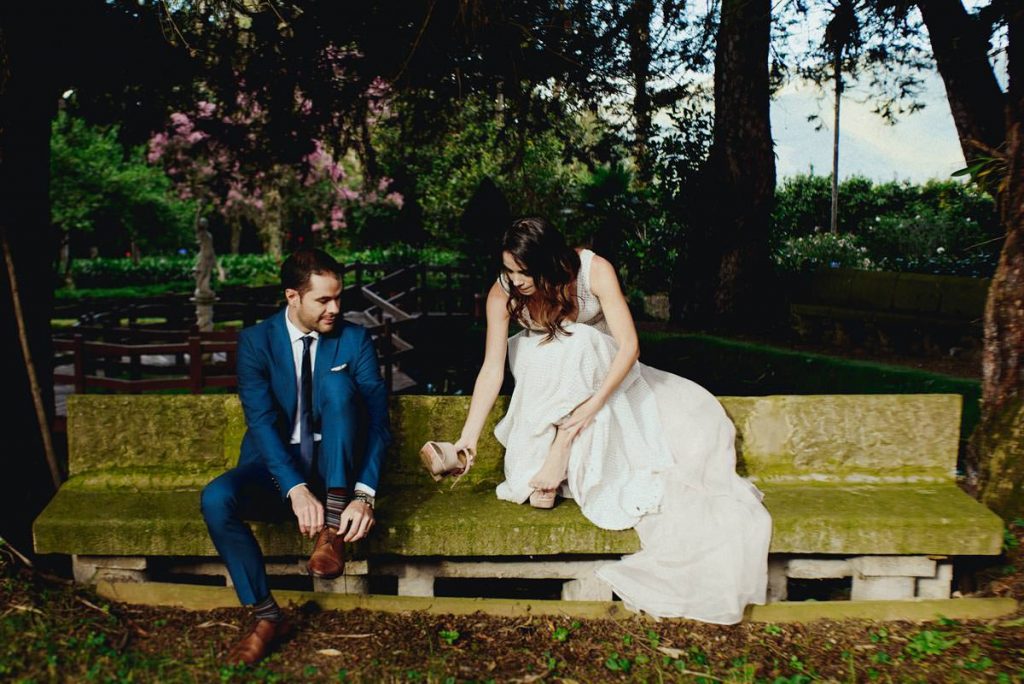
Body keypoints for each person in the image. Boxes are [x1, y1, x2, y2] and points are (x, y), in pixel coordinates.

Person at [449, 217, 772, 624]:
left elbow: (630, 346)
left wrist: (589, 408)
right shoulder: (504, 293)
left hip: (609, 380)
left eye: (524, 272)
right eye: (509, 270)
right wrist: (468, 438)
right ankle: (553, 450)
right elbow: (492, 368)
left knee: (580, 339)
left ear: (550, 261)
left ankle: (562, 444)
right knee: (544, 351)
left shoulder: (594, 271)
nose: (516, 281)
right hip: (546, 385)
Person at [201, 248, 390, 664]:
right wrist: (295, 488)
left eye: (338, 298)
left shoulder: (355, 340)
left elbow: (378, 424)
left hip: (337, 476)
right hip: (277, 472)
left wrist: (364, 495)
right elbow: (261, 423)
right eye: (323, 300)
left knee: (337, 386)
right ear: (292, 296)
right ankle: (268, 616)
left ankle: (333, 527)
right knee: (215, 498)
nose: (335, 309)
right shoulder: (256, 342)